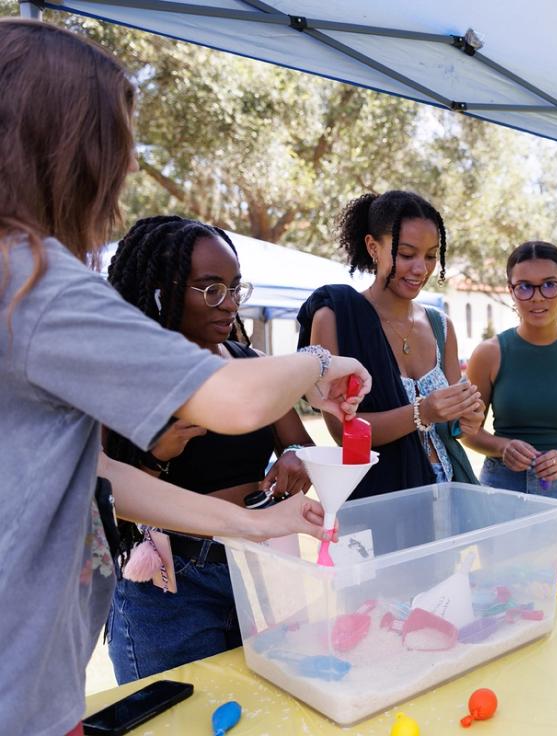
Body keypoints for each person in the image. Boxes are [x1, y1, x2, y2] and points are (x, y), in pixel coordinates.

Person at [0, 20, 369, 736]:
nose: (121, 175)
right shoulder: (32, 280)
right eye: (115, 150)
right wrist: (322, 363)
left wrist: (253, 522)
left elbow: (99, 475)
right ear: (70, 152)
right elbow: (233, 400)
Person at [103, 215, 318, 683]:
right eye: (210, 288)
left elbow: (302, 445)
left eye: (236, 288)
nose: (229, 304)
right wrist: (155, 456)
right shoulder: (130, 375)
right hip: (172, 585)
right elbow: (106, 494)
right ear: (162, 289)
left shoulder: (249, 365)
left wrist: (294, 458)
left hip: (256, 571)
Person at [298, 190, 483, 497]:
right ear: (373, 247)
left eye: (431, 255)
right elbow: (342, 432)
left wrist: (467, 419)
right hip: (382, 502)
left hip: (450, 493)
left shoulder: (441, 326)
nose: (421, 269)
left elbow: (453, 426)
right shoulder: (336, 317)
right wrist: (421, 412)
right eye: (407, 254)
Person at [462, 241, 557, 538]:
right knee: (497, 583)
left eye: (549, 285)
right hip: (501, 493)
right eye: (524, 287)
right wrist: (503, 447)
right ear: (511, 290)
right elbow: (466, 430)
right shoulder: (489, 353)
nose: (537, 298)